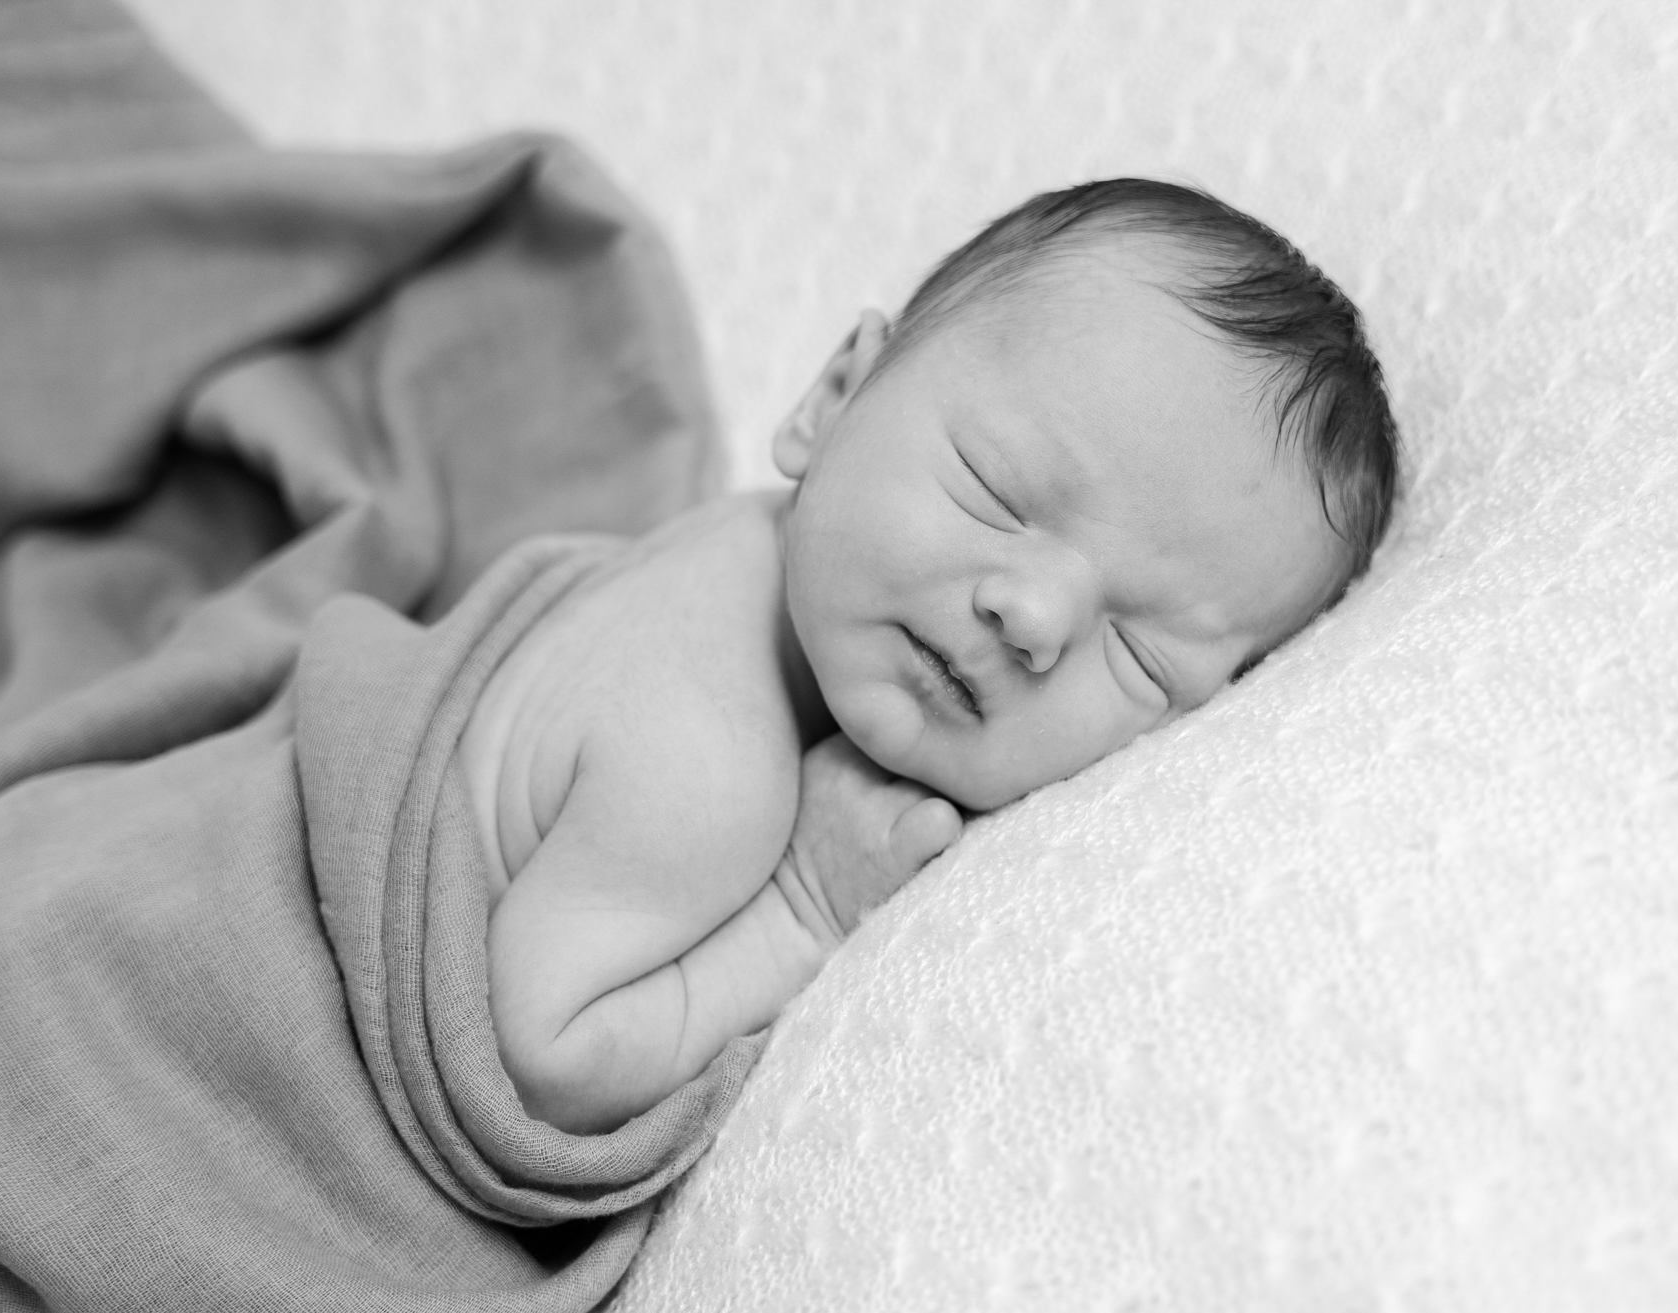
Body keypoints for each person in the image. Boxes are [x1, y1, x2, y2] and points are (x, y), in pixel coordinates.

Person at [459, 178, 1400, 1134]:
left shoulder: (748, 549)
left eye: (1139, 656)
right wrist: (805, 906)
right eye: (996, 490)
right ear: (833, 400)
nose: (1034, 617)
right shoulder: (704, 770)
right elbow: (534, 1067)